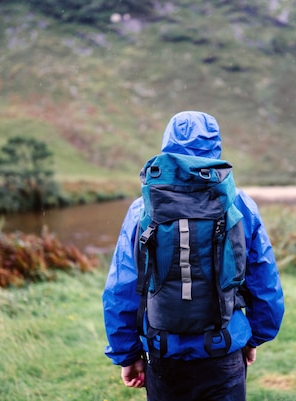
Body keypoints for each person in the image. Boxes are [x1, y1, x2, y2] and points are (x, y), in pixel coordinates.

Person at [102, 110, 285, 401]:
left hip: (163, 353)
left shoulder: (142, 209)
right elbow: (264, 280)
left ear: (167, 146)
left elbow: (121, 286)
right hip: (224, 349)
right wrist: (254, 337)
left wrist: (127, 354)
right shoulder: (241, 205)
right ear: (216, 147)